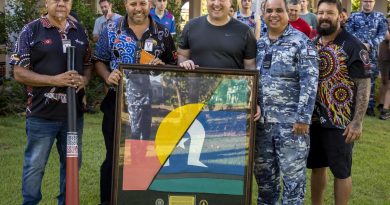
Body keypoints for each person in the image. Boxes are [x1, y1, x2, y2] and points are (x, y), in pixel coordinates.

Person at [93, 0, 177, 204]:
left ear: (150, 3)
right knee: (114, 157)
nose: (138, 8)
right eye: (133, 3)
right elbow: (98, 60)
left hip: (151, 104)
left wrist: (163, 67)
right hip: (117, 103)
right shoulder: (111, 29)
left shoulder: (163, 32)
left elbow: (174, 67)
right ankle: (109, 200)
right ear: (124, 4)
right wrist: (107, 76)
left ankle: (141, 199)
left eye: (142, 3)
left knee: (145, 156)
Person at [9, 0, 92, 204]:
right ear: (47, 3)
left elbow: (88, 64)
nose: (61, 3)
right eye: (56, 0)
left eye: (66, 0)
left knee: (72, 165)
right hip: (41, 114)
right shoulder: (31, 30)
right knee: (34, 166)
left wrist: (85, 80)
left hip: (73, 116)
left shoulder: (79, 31)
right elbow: (18, 72)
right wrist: (55, 80)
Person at [254, 0, 319, 204]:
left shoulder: (301, 42)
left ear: (287, 13)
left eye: (278, 10)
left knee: (293, 184)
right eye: (269, 10)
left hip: (291, 127)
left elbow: (310, 81)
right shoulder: (260, 44)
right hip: (262, 126)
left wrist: (303, 118)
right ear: (263, 14)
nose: (274, 14)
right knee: (265, 183)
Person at [307, 1, 371, 205]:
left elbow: (364, 83)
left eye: (330, 13)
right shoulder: (314, 43)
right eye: (321, 12)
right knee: (317, 167)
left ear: (341, 16)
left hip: (340, 121)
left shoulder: (352, 45)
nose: (324, 17)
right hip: (314, 118)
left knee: (341, 171)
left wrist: (357, 121)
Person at [178, 0, 256, 70]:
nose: (216, 3)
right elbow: (182, 55)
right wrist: (185, 64)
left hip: (231, 85)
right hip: (196, 85)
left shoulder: (245, 31)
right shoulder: (191, 26)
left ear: (230, 2)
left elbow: (250, 67)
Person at [345, 0, 388, 116]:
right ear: (361, 2)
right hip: (355, 55)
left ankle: (369, 107)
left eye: (370, 1)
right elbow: (348, 32)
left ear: (374, 3)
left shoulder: (380, 17)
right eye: (365, 1)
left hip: (371, 56)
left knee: (371, 80)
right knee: (352, 78)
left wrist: (371, 43)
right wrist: (359, 44)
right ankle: (351, 105)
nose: (368, 4)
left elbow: (382, 33)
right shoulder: (354, 16)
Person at [378, 19, 390, 120]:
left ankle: (382, 105)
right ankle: (384, 110)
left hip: (385, 58)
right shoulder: (385, 25)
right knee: (386, 83)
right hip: (385, 59)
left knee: (385, 83)